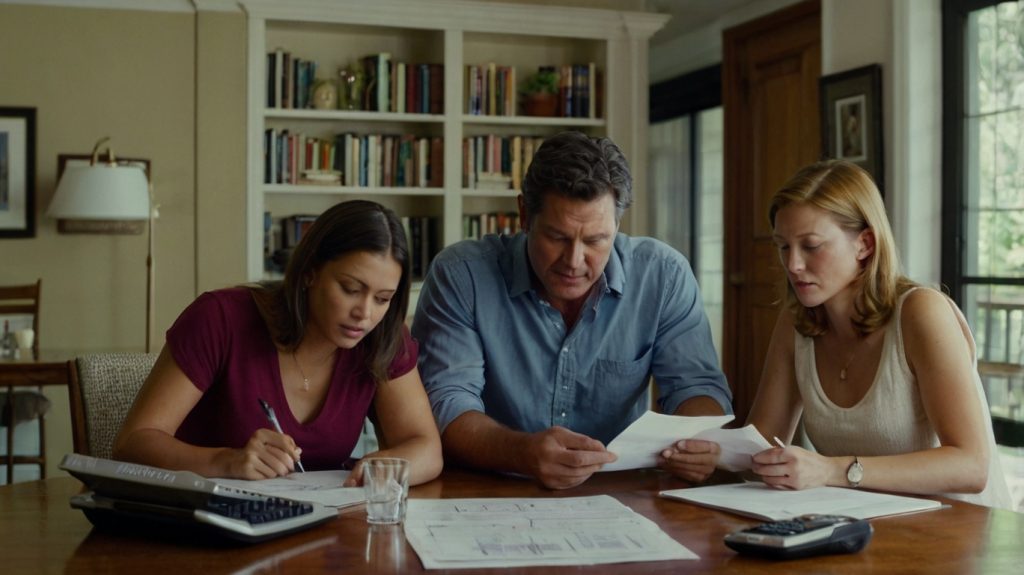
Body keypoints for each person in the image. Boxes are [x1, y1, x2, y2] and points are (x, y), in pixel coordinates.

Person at [411, 131, 733, 490]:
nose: (574, 262)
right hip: (488, 488)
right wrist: (522, 452)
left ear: (617, 226)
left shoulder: (664, 276)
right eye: (558, 237)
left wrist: (701, 440)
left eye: (596, 240)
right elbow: (447, 403)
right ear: (523, 215)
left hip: (620, 492)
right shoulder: (462, 275)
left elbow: (696, 386)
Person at [114, 200, 443, 486]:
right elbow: (132, 443)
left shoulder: (383, 336)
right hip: (202, 529)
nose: (365, 314)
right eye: (350, 289)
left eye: (383, 298)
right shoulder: (220, 318)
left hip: (319, 532)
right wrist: (227, 462)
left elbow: (425, 448)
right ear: (310, 271)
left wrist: (384, 467)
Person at [747, 159, 1012, 508]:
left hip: (961, 538)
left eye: (811, 246)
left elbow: (972, 466)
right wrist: (712, 454)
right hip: (865, 531)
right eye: (783, 246)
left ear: (865, 244)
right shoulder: (796, 321)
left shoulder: (921, 312)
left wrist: (832, 471)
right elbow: (759, 448)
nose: (793, 264)